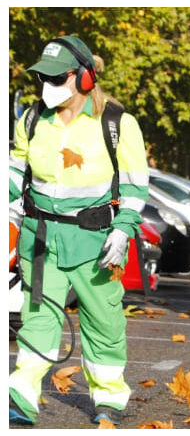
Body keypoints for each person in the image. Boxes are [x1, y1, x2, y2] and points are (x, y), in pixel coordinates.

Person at [8, 35, 149, 426]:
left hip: (97, 243)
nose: (48, 87)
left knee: (103, 323)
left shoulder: (118, 124)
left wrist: (122, 231)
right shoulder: (32, 120)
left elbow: (136, 187)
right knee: (37, 318)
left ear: (85, 77)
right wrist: (9, 223)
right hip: (42, 241)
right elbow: (16, 174)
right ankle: (20, 396)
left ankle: (109, 400)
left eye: (58, 79)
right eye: (44, 79)